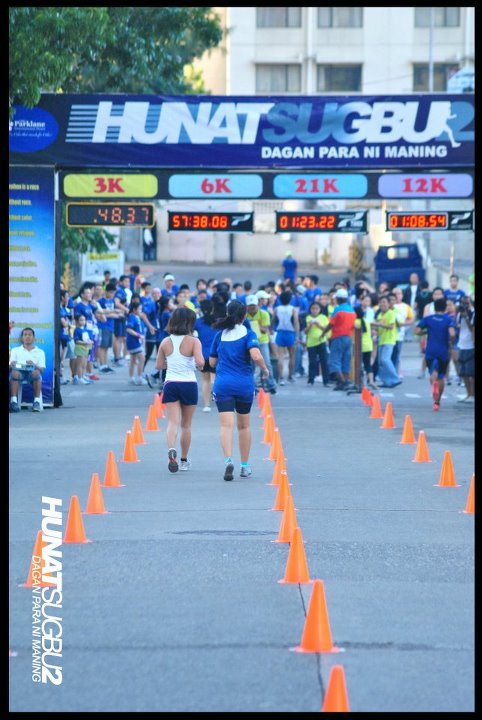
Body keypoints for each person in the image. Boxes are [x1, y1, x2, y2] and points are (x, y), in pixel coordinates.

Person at [209, 300, 269, 481]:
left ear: (227, 314)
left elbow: (212, 362)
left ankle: (228, 461)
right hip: (243, 385)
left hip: (223, 385)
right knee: (244, 426)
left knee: (226, 426)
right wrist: (265, 369)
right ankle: (244, 466)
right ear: (244, 316)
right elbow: (256, 355)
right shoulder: (248, 334)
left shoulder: (219, 336)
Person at [155, 307, 205, 473]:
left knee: (172, 422)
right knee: (186, 425)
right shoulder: (194, 341)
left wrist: (172, 363)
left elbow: (159, 365)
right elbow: (200, 362)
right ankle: (183, 460)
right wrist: (194, 365)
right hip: (188, 383)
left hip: (171, 383)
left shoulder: (165, 342)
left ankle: (171, 449)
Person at [415, 297, 456, 411]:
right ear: (445, 308)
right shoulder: (448, 320)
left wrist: (427, 331)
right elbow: (452, 334)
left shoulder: (428, 319)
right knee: (441, 376)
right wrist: (451, 341)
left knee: (433, 372)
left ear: (434, 308)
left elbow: (417, 331)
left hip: (430, 351)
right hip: (443, 351)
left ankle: (433, 384)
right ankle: (437, 402)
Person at [320, 288, 356, 391]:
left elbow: (331, 324)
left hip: (337, 337)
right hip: (348, 337)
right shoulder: (351, 310)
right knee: (345, 360)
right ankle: (346, 380)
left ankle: (342, 382)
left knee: (334, 360)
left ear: (338, 299)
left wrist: (324, 333)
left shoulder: (337, 309)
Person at [9, 327, 46, 412]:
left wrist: (34, 365)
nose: (27, 337)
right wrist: (11, 365)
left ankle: (36, 402)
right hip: (19, 372)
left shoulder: (40, 352)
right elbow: (10, 367)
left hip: (32, 373)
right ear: (22, 338)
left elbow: (42, 370)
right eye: (25, 335)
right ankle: (13, 402)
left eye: (30, 335)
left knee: (37, 373)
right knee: (14, 373)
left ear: (34, 338)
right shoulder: (15, 350)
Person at [194, 298, 220, 412]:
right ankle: (217, 397)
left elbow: (190, 332)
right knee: (217, 377)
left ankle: (206, 405)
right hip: (217, 354)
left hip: (203, 354)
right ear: (212, 309)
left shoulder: (198, 322)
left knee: (205, 380)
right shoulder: (218, 321)